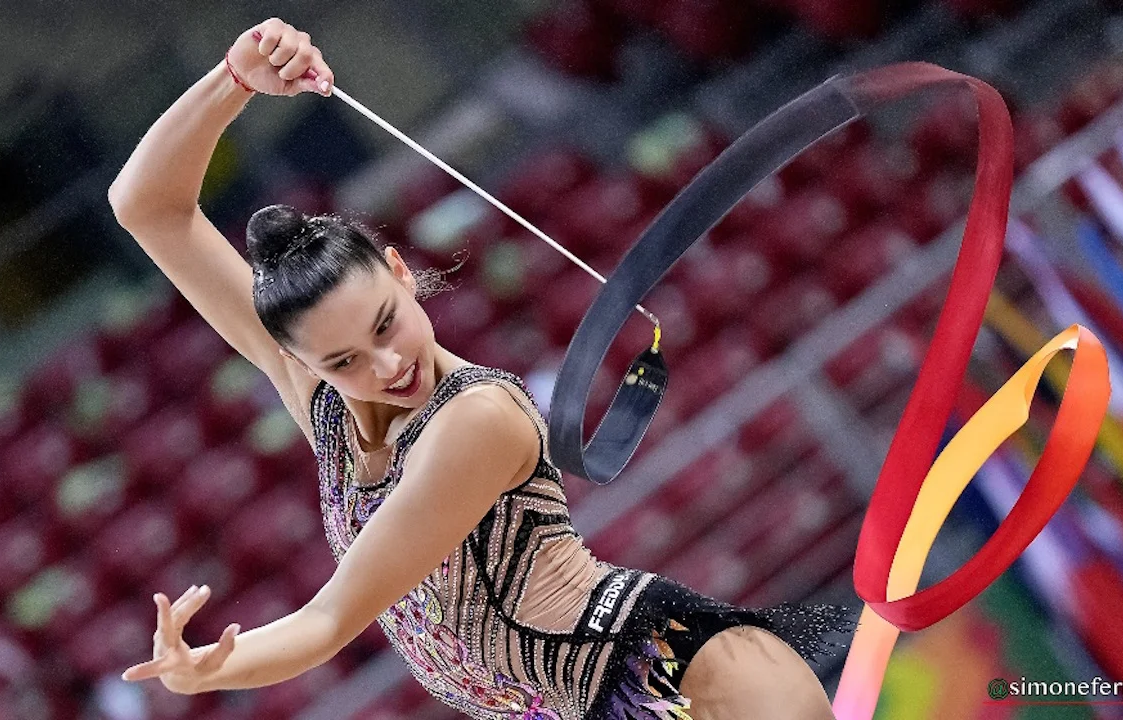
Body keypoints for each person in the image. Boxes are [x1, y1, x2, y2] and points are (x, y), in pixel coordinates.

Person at [108, 18, 855, 720]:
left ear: (401, 272)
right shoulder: (321, 400)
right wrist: (231, 81)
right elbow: (147, 205)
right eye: (343, 360)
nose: (388, 362)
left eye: (385, 324)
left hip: (684, 682)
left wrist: (206, 668)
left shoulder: (476, 418)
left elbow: (330, 619)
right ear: (296, 360)